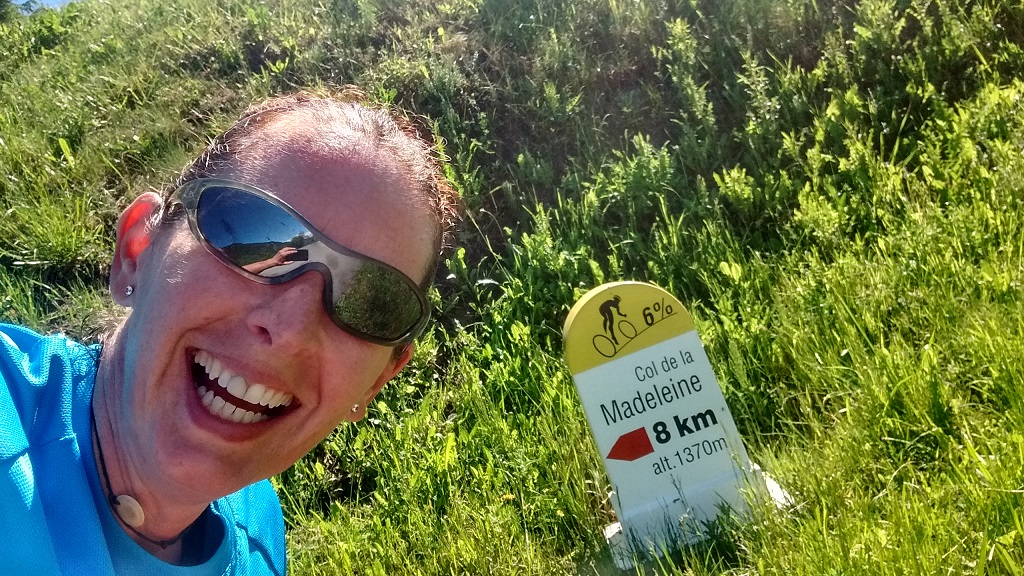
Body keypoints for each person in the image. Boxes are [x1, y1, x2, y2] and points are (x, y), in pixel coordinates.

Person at [0, 91, 460, 573]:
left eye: (372, 302)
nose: (289, 330)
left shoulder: (259, 530)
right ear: (137, 251)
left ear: (377, 382)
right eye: (250, 235)